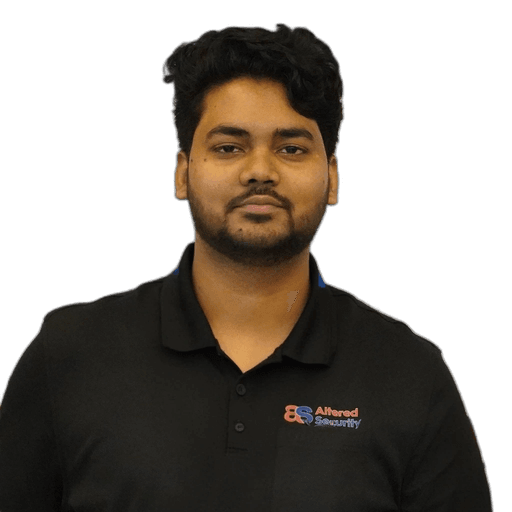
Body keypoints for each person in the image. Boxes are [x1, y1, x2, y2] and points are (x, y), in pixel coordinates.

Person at [0, 23, 493, 511]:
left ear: (333, 177)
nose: (260, 170)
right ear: (182, 172)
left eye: (291, 148)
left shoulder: (411, 377)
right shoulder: (68, 355)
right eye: (229, 147)